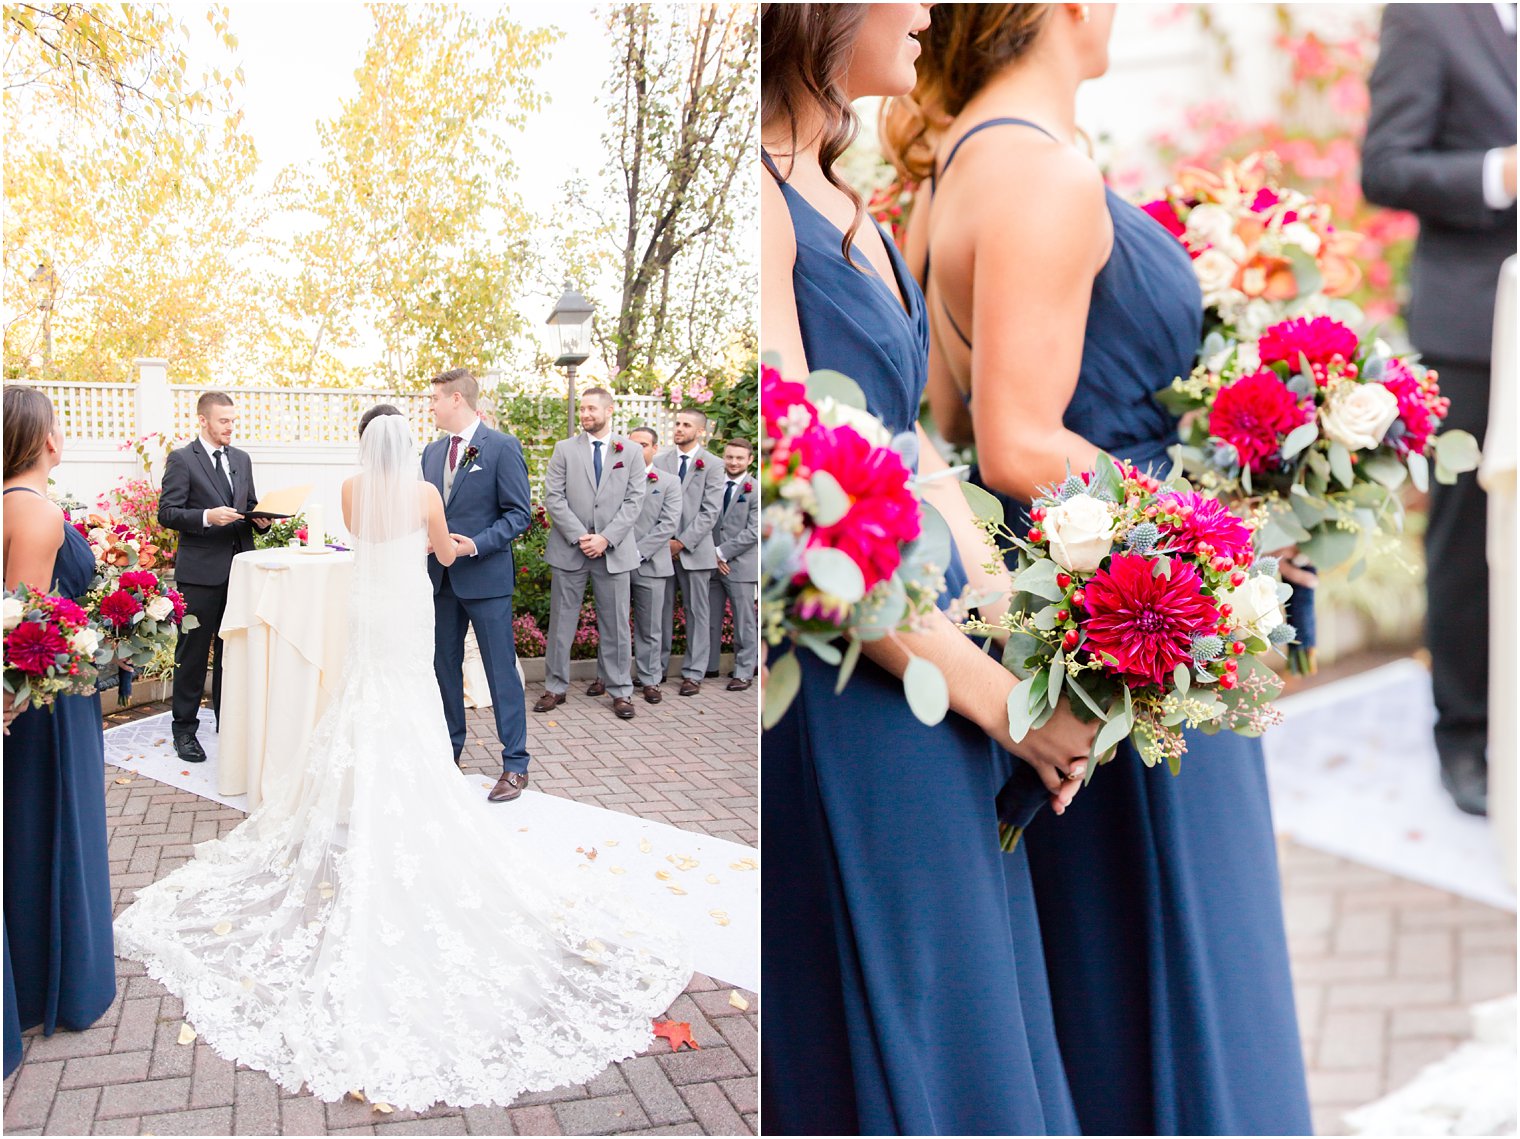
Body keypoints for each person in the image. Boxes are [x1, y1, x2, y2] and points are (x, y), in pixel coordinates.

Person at [889, 5, 1311, 1132]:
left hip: (1068, 606)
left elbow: (933, 422)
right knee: (1182, 946)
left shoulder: (954, 168)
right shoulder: (1040, 172)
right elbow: (1015, 441)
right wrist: (1219, 541)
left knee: (1111, 958)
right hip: (1137, 610)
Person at [112, 407, 690, 1111]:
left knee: (362, 696)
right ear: (405, 448)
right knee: (412, 695)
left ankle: (356, 798)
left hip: (368, 606)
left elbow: (362, 540)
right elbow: (444, 554)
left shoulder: (355, 490)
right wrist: (451, 541)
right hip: (407, 605)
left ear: (363, 447)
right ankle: (412, 795)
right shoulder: (425, 493)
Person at [761, 5, 1098, 1134]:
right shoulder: (758, 207)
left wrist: (1028, 628)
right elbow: (794, 501)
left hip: (946, 668)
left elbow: (913, 452)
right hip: (858, 682)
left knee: (979, 1020)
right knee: (918, 1031)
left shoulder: (852, 201)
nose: (920, 10)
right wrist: (1003, 701)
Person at [1361, 3, 1517, 817]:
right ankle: (1464, 736)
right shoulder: (1425, 14)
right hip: (1473, 330)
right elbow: (1384, 165)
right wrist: (1500, 173)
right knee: (1465, 537)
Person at [3, 386, 116, 1077]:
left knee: (21, 828)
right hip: (47, 707)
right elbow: (25, 633)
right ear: (47, 440)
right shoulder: (38, 513)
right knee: (52, 825)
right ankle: (60, 983)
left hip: (37, 702)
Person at [422, 368, 534, 802]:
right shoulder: (431, 453)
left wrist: (474, 545)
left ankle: (516, 765)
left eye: (434, 399)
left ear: (456, 399)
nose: (430, 406)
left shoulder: (501, 446)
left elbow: (518, 514)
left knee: (499, 668)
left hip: (485, 578)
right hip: (440, 580)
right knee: (443, 667)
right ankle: (450, 751)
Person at [158, 391, 270, 763]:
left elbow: (249, 505)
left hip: (241, 570)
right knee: (191, 653)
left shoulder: (241, 458)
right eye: (224, 421)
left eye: (232, 420)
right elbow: (168, 513)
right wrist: (207, 516)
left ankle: (229, 722)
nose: (230, 427)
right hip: (201, 575)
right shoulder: (181, 459)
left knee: (231, 651)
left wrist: (262, 519)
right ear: (203, 421)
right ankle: (184, 731)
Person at [535, 388, 646, 721]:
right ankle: (555, 687)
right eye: (582, 409)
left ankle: (621, 691)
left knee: (616, 626)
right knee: (561, 623)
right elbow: (552, 496)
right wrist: (582, 536)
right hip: (571, 549)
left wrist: (606, 538)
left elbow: (634, 500)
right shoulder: (564, 449)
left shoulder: (631, 451)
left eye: (591, 409)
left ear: (609, 410)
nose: (585, 414)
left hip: (613, 552)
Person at [654, 409, 725, 694]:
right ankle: (655, 670)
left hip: (694, 550)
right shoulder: (661, 461)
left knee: (697, 612)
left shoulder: (714, 465)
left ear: (701, 431)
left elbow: (710, 512)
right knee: (660, 612)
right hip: (661, 549)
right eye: (678, 424)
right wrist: (664, 541)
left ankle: (694, 673)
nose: (679, 428)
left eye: (686, 425)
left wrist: (681, 542)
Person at [626, 425, 682, 704]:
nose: (638, 449)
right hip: (617, 563)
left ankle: (650, 680)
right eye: (633, 444)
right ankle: (612, 678)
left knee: (650, 627)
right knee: (615, 625)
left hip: (652, 564)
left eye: (644, 445)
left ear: (655, 448)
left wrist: (638, 552)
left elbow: (668, 524)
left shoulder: (669, 482)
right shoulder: (617, 477)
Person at [707, 439, 759, 692]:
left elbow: (755, 531)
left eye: (739, 458)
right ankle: (709, 666)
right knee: (710, 618)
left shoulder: (757, 490)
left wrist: (722, 553)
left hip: (741, 565)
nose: (734, 462)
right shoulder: (714, 486)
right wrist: (713, 555)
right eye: (729, 457)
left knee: (744, 621)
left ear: (749, 460)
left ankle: (744, 671)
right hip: (712, 564)